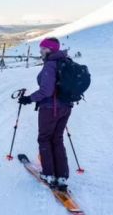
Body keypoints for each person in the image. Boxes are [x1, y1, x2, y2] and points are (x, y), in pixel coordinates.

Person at [17, 37, 72, 191]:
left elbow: (46, 91)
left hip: (50, 108)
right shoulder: (65, 61)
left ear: (50, 50)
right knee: (57, 139)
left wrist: (29, 98)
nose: (41, 51)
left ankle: (48, 174)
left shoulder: (50, 65)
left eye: (43, 48)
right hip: (65, 107)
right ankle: (61, 176)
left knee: (45, 139)